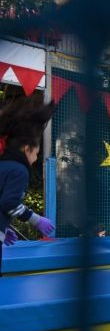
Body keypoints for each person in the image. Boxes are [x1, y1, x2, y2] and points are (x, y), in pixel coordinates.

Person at [0, 96, 56, 275]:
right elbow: (9, 203)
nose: (35, 159)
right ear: (27, 148)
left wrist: (3, 228)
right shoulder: (19, 170)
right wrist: (36, 220)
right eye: (36, 153)